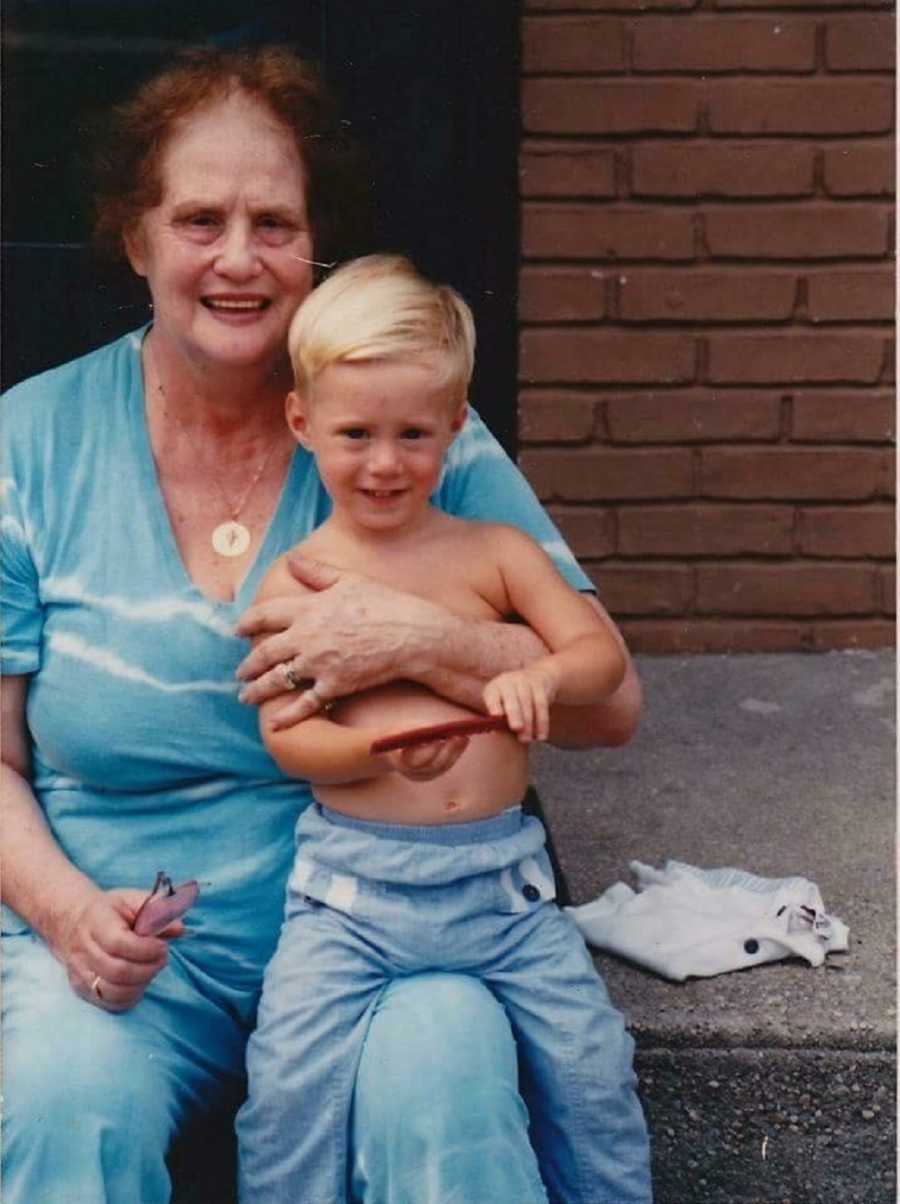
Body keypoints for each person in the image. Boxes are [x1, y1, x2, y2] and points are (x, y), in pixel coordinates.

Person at [0, 45, 642, 1204]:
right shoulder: (28, 442)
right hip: (129, 938)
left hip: (402, 926)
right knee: (57, 1095)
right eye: (199, 219)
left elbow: (609, 708)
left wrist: (424, 640)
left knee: (444, 1073)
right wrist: (65, 912)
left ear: (315, 249)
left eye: (275, 223)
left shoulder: (402, 430)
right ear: (136, 239)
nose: (238, 259)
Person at [235, 254, 653, 1204]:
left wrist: (538, 674)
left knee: (592, 1067)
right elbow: (288, 740)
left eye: (414, 433)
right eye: (355, 433)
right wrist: (373, 751)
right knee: (291, 1088)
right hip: (352, 900)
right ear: (302, 424)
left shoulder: (495, 555)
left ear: (456, 428)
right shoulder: (296, 580)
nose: (385, 462)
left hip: (502, 891)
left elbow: (600, 662)